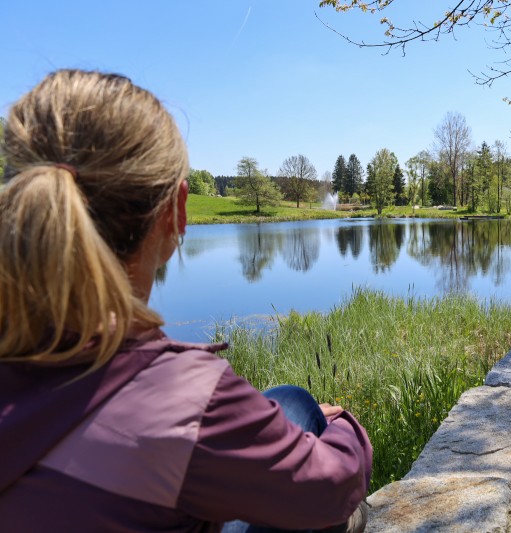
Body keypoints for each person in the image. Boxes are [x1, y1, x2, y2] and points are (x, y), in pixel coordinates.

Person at [0, 69, 372, 532]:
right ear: (177, 211)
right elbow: (334, 486)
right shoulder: (181, 399)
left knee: (290, 402)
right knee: (320, 459)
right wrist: (347, 428)